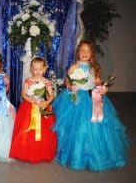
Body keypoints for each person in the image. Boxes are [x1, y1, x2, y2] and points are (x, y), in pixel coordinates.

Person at [53, 40, 129, 171]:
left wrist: (102, 89)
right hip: (77, 98)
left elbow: (97, 84)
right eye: (82, 50)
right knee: (78, 126)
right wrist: (72, 87)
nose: (85, 53)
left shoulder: (94, 68)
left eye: (88, 51)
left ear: (91, 54)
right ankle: (76, 155)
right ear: (78, 52)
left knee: (97, 123)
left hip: (92, 97)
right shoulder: (74, 67)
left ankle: (97, 155)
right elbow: (68, 83)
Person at [9, 57, 57, 163]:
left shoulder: (47, 82)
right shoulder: (28, 81)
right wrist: (31, 99)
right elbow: (23, 94)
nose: (38, 71)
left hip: (42, 107)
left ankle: (41, 152)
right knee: (27, 128)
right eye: (35, 69)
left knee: (44, 131)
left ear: (44, 69)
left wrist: (46, 102)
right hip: (29, 107)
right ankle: (25, 150)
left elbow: (51, 95)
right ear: (31, 69)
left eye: (40, 69)